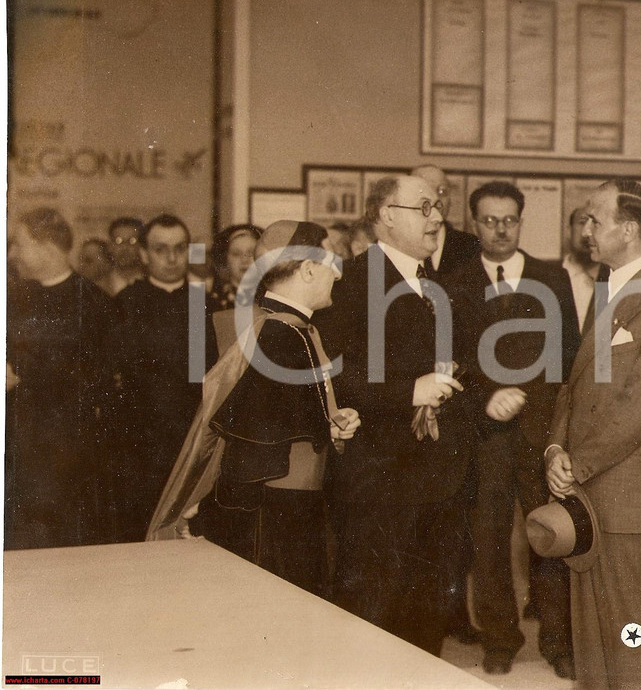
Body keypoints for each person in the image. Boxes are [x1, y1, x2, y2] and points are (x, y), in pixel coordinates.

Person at [148, 220, 359, 597]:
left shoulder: (290, 329)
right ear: (308, 268)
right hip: (279, 519)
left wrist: (333, 423)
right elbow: (255, 448)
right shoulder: (281, 335)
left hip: (287, 510)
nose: (337, 273)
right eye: (331, 261)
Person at [545, 179, 641, 688]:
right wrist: (554, 449)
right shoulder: (610, 288)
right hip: (586, 490)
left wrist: (578, 462)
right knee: (592, 632)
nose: (586, 230)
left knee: (634, 630)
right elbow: (574, 385)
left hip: (630, 497)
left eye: (595, 219)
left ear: (628, 229)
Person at [317, 175, 475, 656]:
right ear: (387, 215)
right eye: (424, 207)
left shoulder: (438, 283)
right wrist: (411, 389)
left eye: (438, 207)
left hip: (440, 476)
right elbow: (331, 377)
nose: (437, 217)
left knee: (426, 612)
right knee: (373, 608)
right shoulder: (350, 282)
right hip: (379, 478)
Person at [445, 181, 579, 678]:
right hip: (484, 432)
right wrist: (485, 398)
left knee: (550, 533)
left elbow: (569, 354)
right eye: (489, 220)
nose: (500, 230)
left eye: (509, 220)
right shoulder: (456, 282)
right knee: (488, 537)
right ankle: (499, 638)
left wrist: (552, 415)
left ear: (521, 221)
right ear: (474, 222)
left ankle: (559, 641)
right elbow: (450, 359)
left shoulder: (552, 276)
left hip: (542, 430)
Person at [6, 207, 118, 548]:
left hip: (65, 459)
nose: (12, 254)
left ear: (48, 247)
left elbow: (98, 380)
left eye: (19, 244)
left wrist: (21, 376)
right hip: (13, 453)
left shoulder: (95, 303)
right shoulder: (11, 298)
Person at [115, 214, 219, 542]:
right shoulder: (123, 305)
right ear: (144, 254)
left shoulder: (208, 305)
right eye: (161, 249)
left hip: (191, 440)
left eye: (179, 248)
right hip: (137, 444)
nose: (172, 258)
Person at [412, 164, 480, 277]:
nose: (436, 199)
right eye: (425, 191)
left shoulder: (471, 247)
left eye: (442, 192)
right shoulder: (393, 246)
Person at [562, 207, 600, 333]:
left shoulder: (615, 278)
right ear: (569, 230)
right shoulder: (549, 277)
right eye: (582, 222)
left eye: (595, 223)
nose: (587, 231)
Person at [208, 224, 263, 309]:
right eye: (236, 254)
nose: (244, 260)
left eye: (251, 253)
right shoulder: (212, 302)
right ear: (225, 259)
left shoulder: (271, 298)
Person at [106, 216, 145, 296]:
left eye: (132, 241)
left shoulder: (154, 286)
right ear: (110, 246)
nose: (125, 248)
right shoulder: (98, 288)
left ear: (141, 246)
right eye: (118, 241)